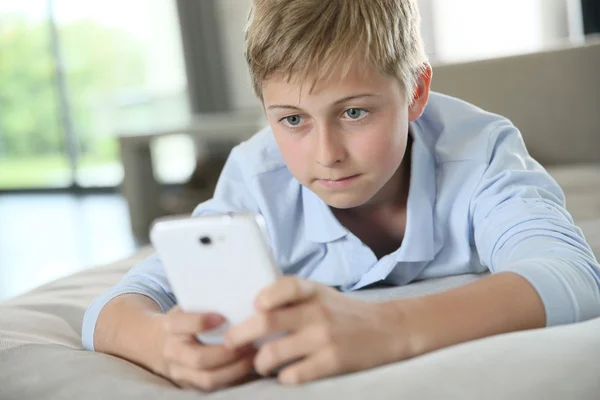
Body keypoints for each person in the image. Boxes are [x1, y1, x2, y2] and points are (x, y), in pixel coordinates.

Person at [82, 0, 600, 392]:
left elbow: (570, 274)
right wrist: (159, 344)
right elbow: (118, 305)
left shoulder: (480, 151)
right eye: (292, 119)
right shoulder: (256, 176)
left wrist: (384, 328)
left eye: (354, 112)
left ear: (415, 92)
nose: (326, 153)